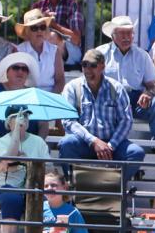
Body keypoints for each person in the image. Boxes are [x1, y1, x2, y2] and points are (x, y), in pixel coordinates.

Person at [59, 48, 145, 181]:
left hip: (112, 144)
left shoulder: (116, 88)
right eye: (84, 65)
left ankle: (113, 186)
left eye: (92, 65)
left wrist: (110, 145)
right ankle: (75, 185)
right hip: (84, 142)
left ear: (102, 67)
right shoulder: (72, 87)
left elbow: (126, 121)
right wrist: (93, 141)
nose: (88, 70)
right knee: (66, 144)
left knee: (136, 152)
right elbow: (68, 121)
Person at [97, 15, 155, 146]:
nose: (127, 37)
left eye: (129, 33)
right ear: (113, 35)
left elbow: (153, 85)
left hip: (136, 101)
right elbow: (92, 83)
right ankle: (106, 143)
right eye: (122, 33)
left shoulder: (142, 55)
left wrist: (148, 93)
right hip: (110, 101)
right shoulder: (100, 54)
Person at [0, 52, 41, 184]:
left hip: (26, 141)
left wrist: (39, 141)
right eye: (16, 68)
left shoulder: (33, 94)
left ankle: (31, 192)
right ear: (7, 71)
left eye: (24, 69)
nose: (20, 72)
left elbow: (43, 125)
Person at [0, 104, 51, 233]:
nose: (23, 119)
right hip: (8, 186)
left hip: (34, 185)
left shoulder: (38, 141)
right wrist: (17, 130)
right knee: (12, 198)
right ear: (8, 122)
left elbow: (49, 168)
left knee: (47, 199)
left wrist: (29, 162)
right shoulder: (0, 142)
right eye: (18, 116)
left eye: (25, 116)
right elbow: (6, 163)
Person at [30, 0, 83, 70]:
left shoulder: (72, 5)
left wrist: (53, 24)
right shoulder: (38, 6)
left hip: (70, 52)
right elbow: (27, 34)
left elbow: (76, 39)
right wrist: (42, 22)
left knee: (52, 36)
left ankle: (42, 66)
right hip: (43, 46)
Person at [15, 9, 64, 93]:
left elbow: (60, 80)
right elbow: (16, 80)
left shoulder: (55, 51)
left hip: (50, 95)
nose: (39, 31)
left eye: (42, 27)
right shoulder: (19, 51)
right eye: (34, 28)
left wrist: (51, 97)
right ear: (27, 31)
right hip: (26, 94)